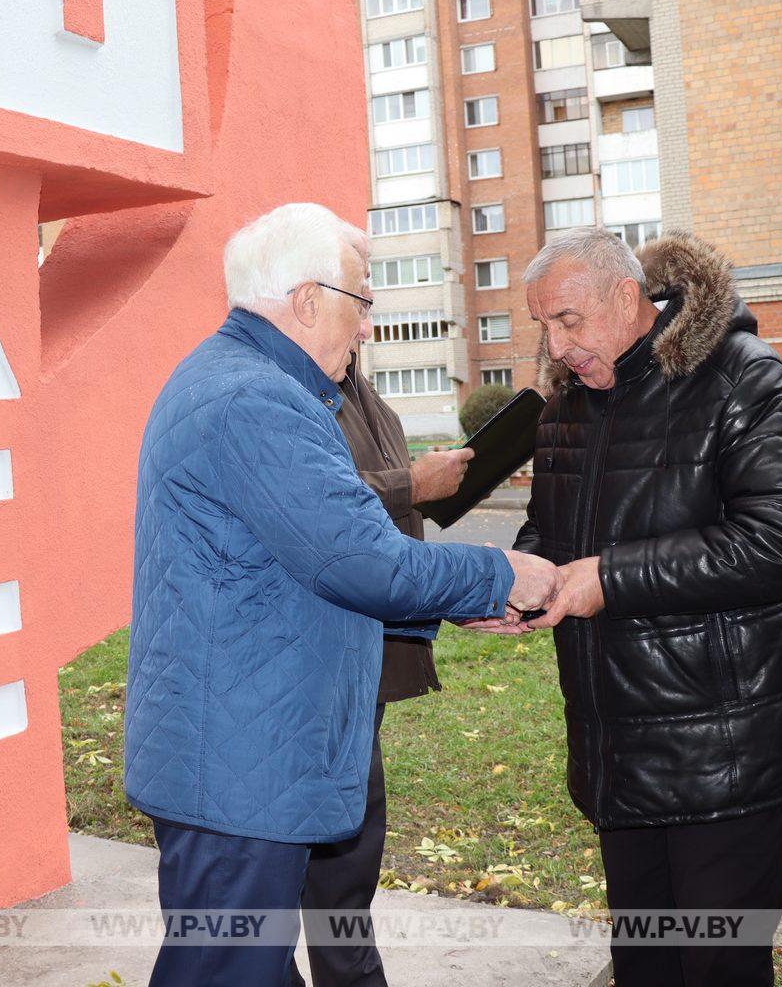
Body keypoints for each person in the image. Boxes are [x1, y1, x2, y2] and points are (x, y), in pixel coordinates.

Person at [124, 203, 559, 986]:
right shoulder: (257, 401)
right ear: (306, 300)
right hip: (237, 770)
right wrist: (498, 574)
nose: (367, 328)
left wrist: (458, 603)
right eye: (362, 304)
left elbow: (305, 559)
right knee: (223, 971)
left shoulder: (248, 383)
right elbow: (362, 562)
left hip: (238, 753)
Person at [514, 228, 782, 987]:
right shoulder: (568, 405)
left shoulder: (737, 373)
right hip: (620, 748)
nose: (557, 345)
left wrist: (613, 578)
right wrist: (527, 584)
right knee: (647, 962)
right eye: (544, 326)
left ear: (627, 297)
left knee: (718, 966)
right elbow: (555, 531)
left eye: (568, 320)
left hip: (730, 752)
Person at [288, 323, 474, 987]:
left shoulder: (364, 392)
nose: (366, 322)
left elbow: (377, 530)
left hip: (361, 656)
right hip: (305, 665)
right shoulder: (278, 394)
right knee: (291, 871)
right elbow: (305, 511)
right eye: (356, 299)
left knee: (347, 862)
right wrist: (410, 485)